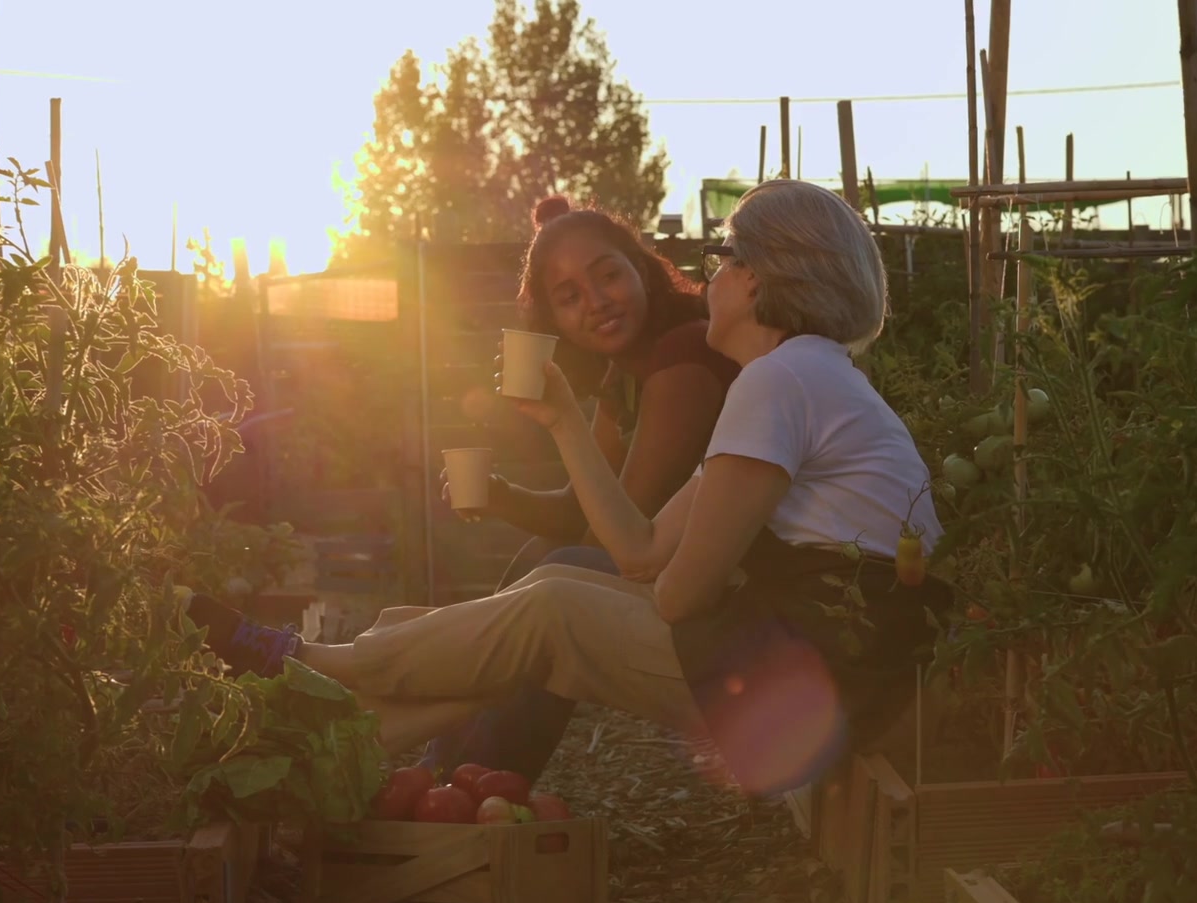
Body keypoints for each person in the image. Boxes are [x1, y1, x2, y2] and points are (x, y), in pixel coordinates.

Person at [191, 179, 948, 796]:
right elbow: (639, 550)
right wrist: (561, 419)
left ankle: (318, 663)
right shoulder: (801, 375)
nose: (710, 279)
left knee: (552, 610)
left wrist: (623, 595)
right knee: (544, 604)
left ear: (757, 279)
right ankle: (340, 730)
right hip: (825, 667)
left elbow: (677, 595)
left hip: (824, 684)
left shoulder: (780, 381)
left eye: (721, 262)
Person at [420, 195, 740, 780]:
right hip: (669, 579)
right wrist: (500, 496)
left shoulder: (684, 357)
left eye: (607, 276)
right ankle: (449, 775)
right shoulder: (626, 376)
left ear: (640, 269)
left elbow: (616, 538)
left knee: (555, 582)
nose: (596, 302)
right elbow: (580, 512)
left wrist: (561, 421)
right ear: (553, 321)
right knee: (542, 560)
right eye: (569, 297)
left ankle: (473, 783)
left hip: (727, 604)